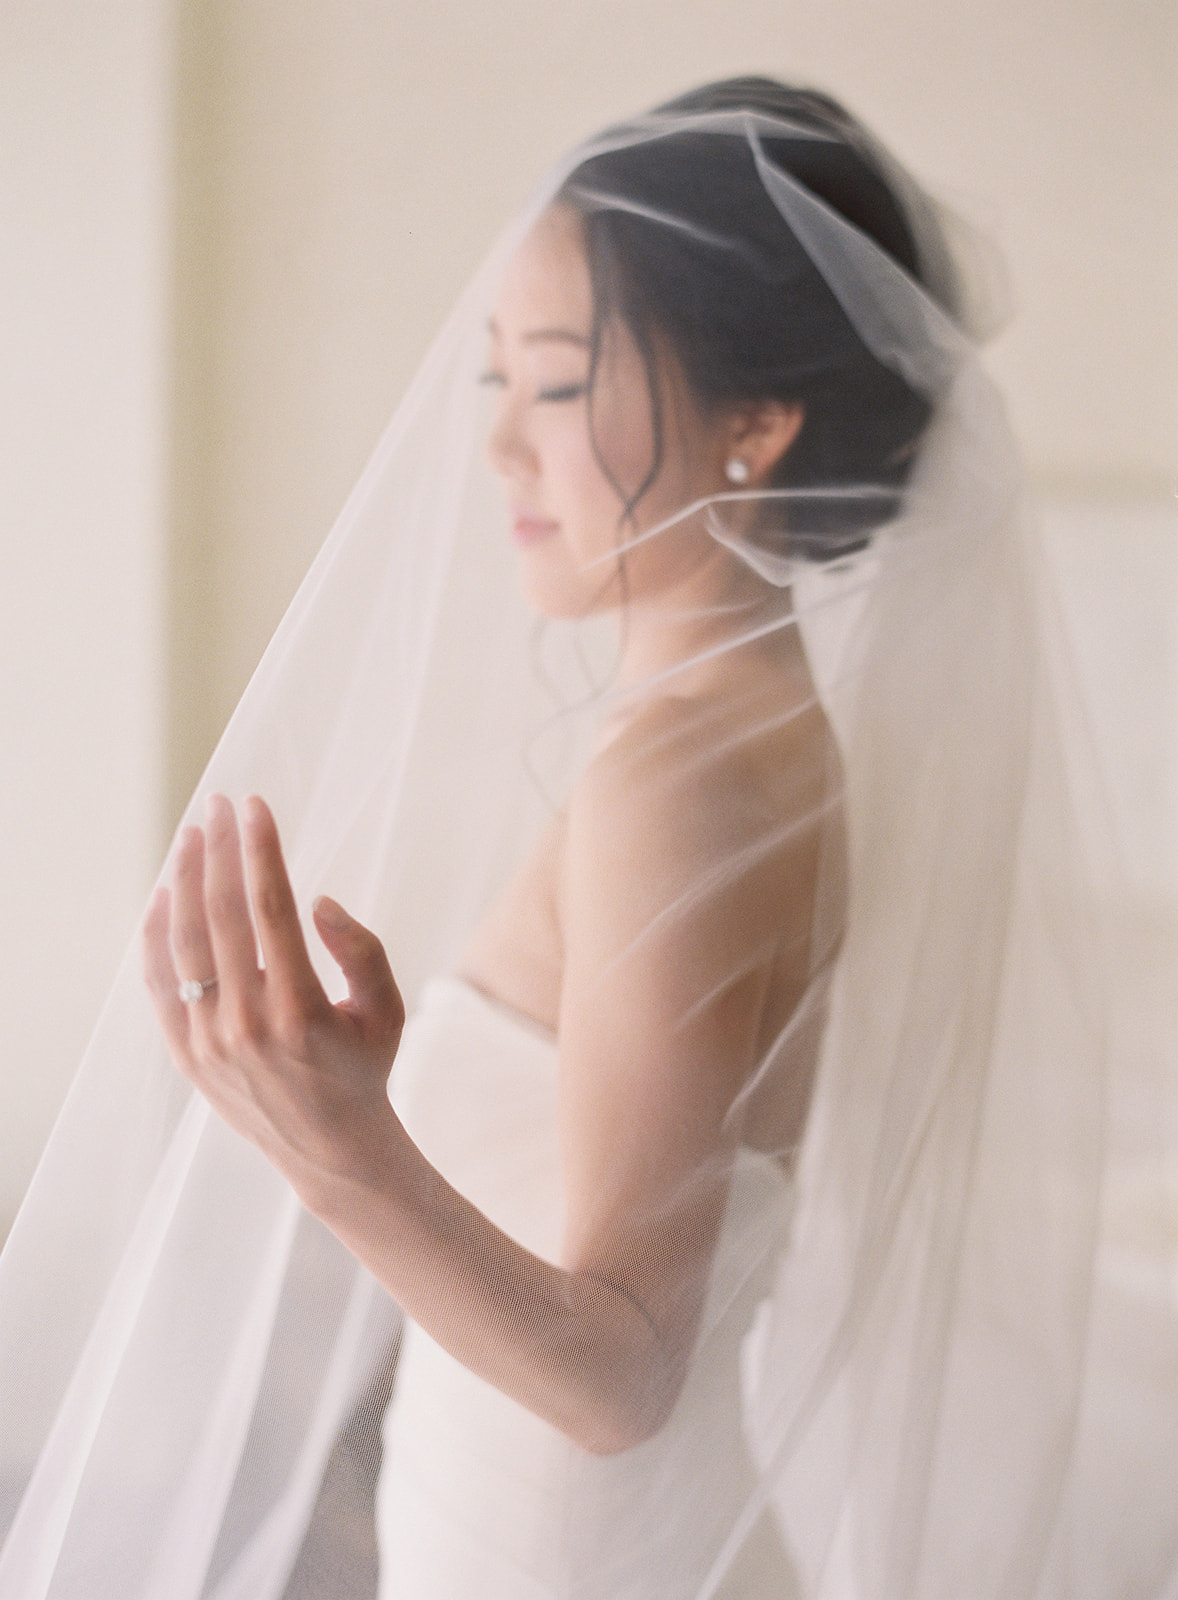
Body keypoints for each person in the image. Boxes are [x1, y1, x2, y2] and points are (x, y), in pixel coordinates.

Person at [0, 79, 1169, 1600]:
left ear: (756, 422)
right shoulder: (746, 738)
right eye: (493, 378)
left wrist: (340, 1145)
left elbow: (620, 1375)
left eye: (553, 385)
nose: (494, 447)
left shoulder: (681, 776)